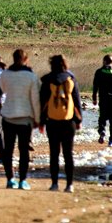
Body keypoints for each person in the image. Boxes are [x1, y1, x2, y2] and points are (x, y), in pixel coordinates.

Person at [39, 55, 82, 193]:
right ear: (65, 64)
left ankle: (54, 184)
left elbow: (43, 102)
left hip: (52, 122)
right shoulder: (71, 79)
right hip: (68, 121)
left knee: (54, 153)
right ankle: (69, 185)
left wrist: (41, 121)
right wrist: (79, 120)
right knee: (68, 154)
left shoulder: (47, 80)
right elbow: (76, 100)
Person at [0, 49, 40, 190]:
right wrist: (38, 118)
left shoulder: (5, 74)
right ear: (26, 59)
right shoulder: (31, 76)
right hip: (25, 117)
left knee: (8, 150)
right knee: (24, 151)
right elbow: (35, 100)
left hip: (8, 116)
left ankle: (10, 179)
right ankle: (22, 180)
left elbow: (2, 90)